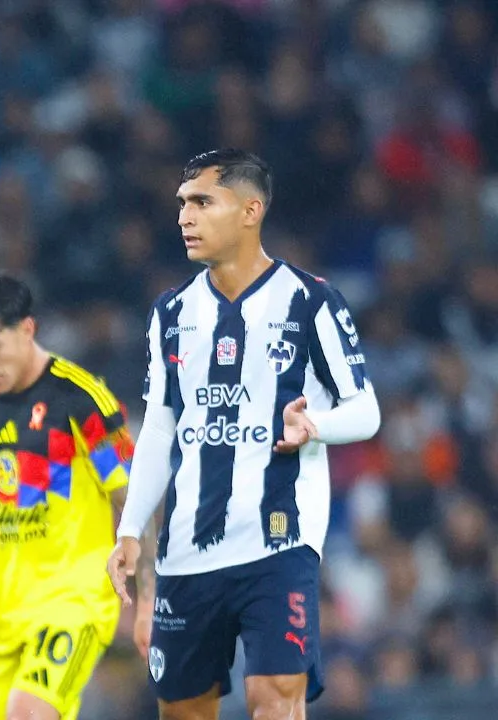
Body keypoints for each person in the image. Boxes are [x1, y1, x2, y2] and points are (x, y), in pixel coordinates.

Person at [107, 149, 381, 720]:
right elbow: (159, 427)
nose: (185, 217)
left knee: (275, 696)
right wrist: (130, 528)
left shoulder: (310, 301)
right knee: (184, 709)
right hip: (187, 548)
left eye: (202, 202)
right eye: (182, 204)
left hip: (278, 540)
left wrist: (316, 425)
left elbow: (367, 411)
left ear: (251, 210)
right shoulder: (171, 312)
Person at [0, 271, 134, 720]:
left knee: (28, 713)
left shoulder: (80, 397)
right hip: (1, 618)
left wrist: (150, 596)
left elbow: (132, 496)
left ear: (27, 329)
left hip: (72, 601)